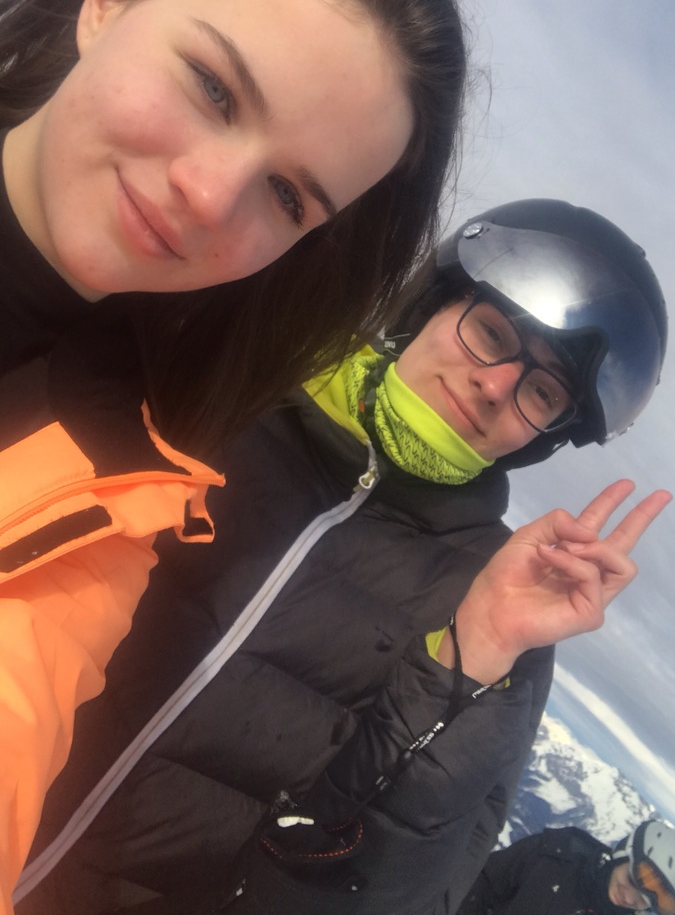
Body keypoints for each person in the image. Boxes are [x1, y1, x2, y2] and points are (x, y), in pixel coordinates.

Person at [0, 0, 468, 909]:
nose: (210, 197)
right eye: (214, 88)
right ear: (110, 0)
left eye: (288, 195)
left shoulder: (115, 512)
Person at [16, 199, 670, 915]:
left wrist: (469, 658)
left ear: (543, 438)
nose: (494, 386)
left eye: (541, 392)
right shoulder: (231, 382)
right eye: (491, 332)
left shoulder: (499, 600)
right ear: (430, 304)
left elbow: (390, 893)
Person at [456, 819, 675, 915]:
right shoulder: (553, 857)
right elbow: (473, 886)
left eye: (642, 901)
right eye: (632, 880)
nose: (628, 898)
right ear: (623, 854)